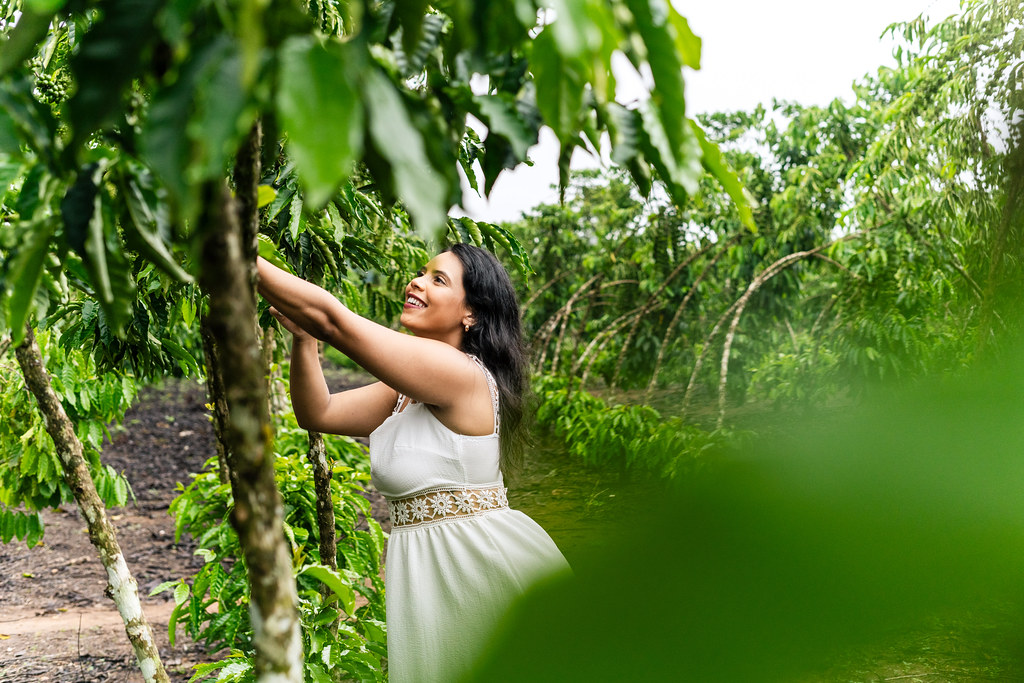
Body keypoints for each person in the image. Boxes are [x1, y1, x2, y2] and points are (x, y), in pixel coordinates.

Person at [256, 244, 570, 682]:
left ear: (471, 314)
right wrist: (304, 342)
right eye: (422, 272)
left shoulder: (459, 373)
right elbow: (319, 413)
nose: (416, 282)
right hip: (432, 569)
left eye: (438, 280)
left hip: (478, 566)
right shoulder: (404, 391)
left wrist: (237, 251)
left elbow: (334, 320)